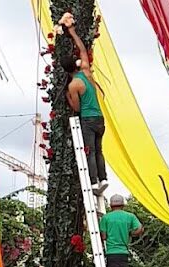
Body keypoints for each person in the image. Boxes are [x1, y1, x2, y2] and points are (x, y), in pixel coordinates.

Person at [60, 21, 108, 195]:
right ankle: (104, 179)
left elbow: (77, 107)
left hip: (87, 119)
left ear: (66, 71)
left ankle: (94, 182)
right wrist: (72, 32)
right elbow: (82, 48)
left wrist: (66, 95)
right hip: (100, 119)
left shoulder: (73, 86)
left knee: (90, 151)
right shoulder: (86, 71)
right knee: (99, 150)